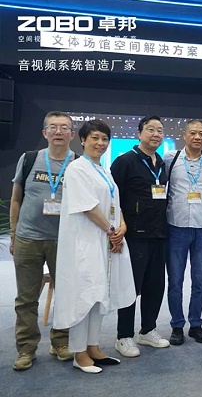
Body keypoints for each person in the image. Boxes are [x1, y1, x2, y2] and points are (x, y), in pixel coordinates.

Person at [53, 119, 136, 374]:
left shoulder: (103, 170)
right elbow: (88, 207)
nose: (100, 143)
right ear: (83, 140)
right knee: (84, 294)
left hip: (105, 240)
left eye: (104, 139)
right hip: (86, 242)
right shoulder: (77, 168)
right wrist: (111, 231)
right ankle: (79, 353)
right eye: (95, 138)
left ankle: (93, 346)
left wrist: (122, 226)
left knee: (100, 293)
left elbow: (114, 203)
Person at [9, 111, 75, 371]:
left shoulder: (77, 164)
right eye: (53, 127)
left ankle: (61, 342)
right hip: (29, 238)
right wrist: (14, 233)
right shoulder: (29, 159)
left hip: (64, 240)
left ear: (72, 134)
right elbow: (16, 198)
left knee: (66, 296)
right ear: (44, 133)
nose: (58, 132)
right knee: (26, 298)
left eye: (64, 127)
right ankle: (26, 349)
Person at [110, 115, 170, 357]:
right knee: (130, 287)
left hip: (159, 233)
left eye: (160, 130)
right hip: (134, 235)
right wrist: (119, 226)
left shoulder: (161, 163)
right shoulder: (125, 161)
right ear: (139, 133)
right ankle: (123, 336)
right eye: (150, 129)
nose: (156, 134)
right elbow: (113, 198)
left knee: (155, 285)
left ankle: (147, 330)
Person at [164, 119, 202, 345]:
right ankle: (177, 325)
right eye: (193, 133)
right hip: (175, 226)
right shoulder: (170, 159)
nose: (197, 137)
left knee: (200, 279)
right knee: (175, 280)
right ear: (184, 135)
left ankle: (196, 324)